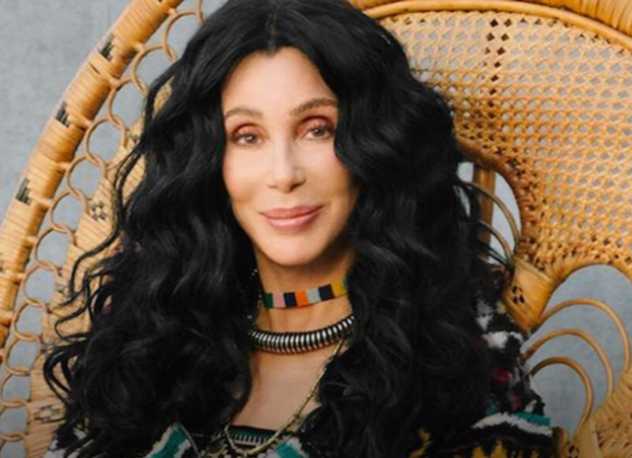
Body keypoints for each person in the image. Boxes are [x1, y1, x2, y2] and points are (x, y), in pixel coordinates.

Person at [42, 0, 557, 457]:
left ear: (377, 145)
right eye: (247, 136)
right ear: (209, 162)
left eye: (318, 129)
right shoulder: (150, 332)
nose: (283, 174)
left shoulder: (460, 362)